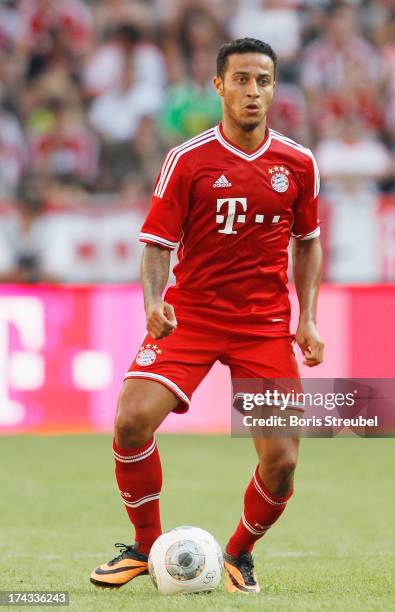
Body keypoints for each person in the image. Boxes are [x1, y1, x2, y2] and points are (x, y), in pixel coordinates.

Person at [90, 37, 324, 594]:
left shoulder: (298, 162)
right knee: (130, 420)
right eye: (241, 79)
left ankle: (239, 553)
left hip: (264, 324)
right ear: (218, 85)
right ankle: (145, 547)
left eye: (262, 81)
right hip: (191, 314)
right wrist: (153, 301)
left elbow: (308, 242)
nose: (252, 91)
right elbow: (156, 243)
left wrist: (307, 317)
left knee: (282, 462)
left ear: (273, 88)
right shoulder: (187, 160)